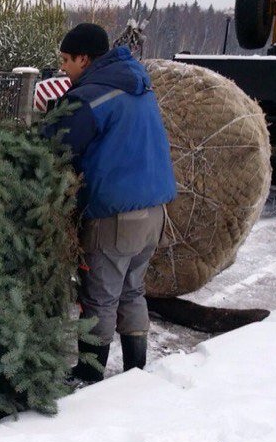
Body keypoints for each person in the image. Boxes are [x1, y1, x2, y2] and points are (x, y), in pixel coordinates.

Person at [44, 23, 177, 383]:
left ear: (85, 59)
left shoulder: (90, 97)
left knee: (99, 298)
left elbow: (55, 147)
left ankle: (89, 377)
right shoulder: (138, 85)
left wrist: (51, 116)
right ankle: (136, 372)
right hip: (155, 213)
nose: (63, 68)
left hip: (117, 218)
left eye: (67, 60)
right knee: (132, 291)